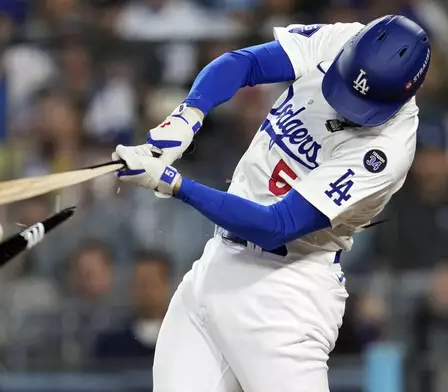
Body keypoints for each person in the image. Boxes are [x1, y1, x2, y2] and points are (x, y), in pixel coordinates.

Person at [112, 15, 431, 391]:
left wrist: (173, 183)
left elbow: (275, 225)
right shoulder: (343, 39)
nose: (349, 105)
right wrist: (187, 117)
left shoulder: (386, 151)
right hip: (215, 266)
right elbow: (243, 63)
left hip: (285, 293)